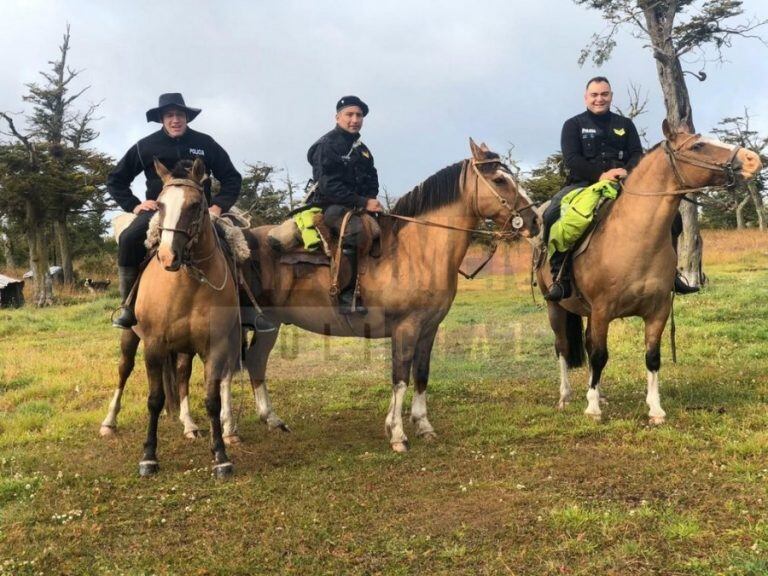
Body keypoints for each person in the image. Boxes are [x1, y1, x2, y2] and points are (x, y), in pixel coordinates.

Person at [107, 92, 275, 331]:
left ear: (186, 117)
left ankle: (248, 309)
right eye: (169, 115)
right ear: (162, 119)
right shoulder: (145, 146)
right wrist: (134, 205)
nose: (175, 120)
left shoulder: (205, 143)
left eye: (180, 115)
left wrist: (218, 205)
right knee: (128, 239)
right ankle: (128, 306)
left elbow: (231, 178)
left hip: (202, 211)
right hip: (160, 211)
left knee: (240, 242)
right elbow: (116, 180)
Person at [544, 76, 699, 301]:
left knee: (672, 217)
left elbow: (637, 154)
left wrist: (626, 171)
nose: (600, 99)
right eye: (595, 95)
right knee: (552, 214)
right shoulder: (573, 124)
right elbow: (572, 158)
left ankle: (670, 272)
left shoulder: (625, 124)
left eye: (604, 94)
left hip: (624, 184)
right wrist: (600, 175)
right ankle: (560, 276)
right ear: (586, 97)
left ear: (611, 96)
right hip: (584, 184)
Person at [306, 95, 382, 314]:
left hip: (358, 206)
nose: (354, 119)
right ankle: (346, 295)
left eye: (359, 115)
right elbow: (329, 185)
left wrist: (370, 200)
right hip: (330, 205)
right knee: (354, 232)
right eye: (349, 114)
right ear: (337, 117)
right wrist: (362, 201)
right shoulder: (327, 145)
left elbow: (372, 178)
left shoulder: (363, 149)